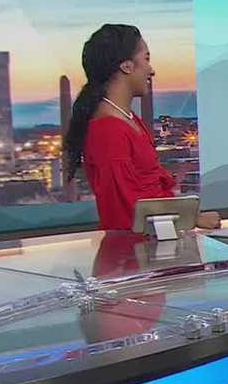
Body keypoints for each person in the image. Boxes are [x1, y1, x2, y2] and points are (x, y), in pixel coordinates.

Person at [62, 24, 217, 230]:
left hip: (154, 244)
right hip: (133, 249)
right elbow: (125, 213)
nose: (151, 70)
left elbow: (147, 194)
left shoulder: (129, 119)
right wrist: (191, 219)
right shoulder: (108, 131)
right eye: (146, 59)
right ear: (126, 66)